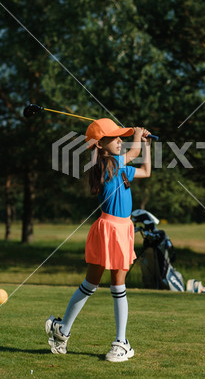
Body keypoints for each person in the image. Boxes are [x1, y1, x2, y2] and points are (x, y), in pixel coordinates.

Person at [45, 118, 152, 362]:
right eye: (114, 138)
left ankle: (62, 332)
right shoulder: (107, 163)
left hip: (122, 229)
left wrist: (145, 145)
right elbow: (132, 151)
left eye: (120, 137)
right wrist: (137, 134)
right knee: (104, 284)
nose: (119, 141)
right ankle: (122, 343)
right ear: (100, 146)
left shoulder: (118, 165)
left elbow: (145, 169)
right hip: (109, 229)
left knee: (102, 284)